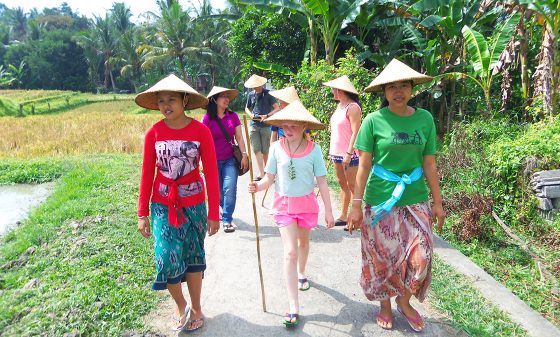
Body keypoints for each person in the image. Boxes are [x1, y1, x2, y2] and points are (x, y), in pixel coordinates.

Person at [348, 59, 446, 332]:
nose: (398, 91)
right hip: (380, 201)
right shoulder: (373, 121)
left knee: (422, 258)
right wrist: (355, 205)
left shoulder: (424, 119)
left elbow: (429, 163)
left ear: (412, 88)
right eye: (392, 87)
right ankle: (385, 306)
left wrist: (437, 203)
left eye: (404, 85)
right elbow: (364, 165)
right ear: (384, 92)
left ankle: (404, 302)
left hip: (415, 199)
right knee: (381, 258)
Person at [135, 74, 220, 333]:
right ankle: (180, 303)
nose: (165, 105)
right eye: (161, 101)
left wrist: (214, 213)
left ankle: (196, 308)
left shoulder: (201, 131)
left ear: (184, 100)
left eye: (171, 99)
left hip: (193, 204)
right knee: (164, 259)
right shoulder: (154, 133)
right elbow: (147, 172)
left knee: (193, 256)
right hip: (162, 205)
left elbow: (212, 173)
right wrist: (142, 213)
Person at [248, 100, 335, 327]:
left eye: (294, 126)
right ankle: (293, 306)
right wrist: (258, 186)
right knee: (289, 252)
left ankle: (302, 273)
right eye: (285, 126)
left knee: (303, 245)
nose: (288, 131)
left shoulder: (314, 150)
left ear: (304, 126)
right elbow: (269, 178)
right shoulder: (276, 148)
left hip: (307, 206)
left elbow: (322, 182)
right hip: (283, 206)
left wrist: (329, 211)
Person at [201, 86, 249, 233]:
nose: (227, 99)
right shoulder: (207, 119)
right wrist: (201, 162)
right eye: (223, 96)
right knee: (219, 192)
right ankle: (223, 208)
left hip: (229, 159)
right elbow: (202, 141)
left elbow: (239, 137)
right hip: (213, 161)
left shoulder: (233, 116)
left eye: (228, 96)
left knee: (230, 188)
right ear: (214, 100)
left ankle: (227, 219)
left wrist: (245, 154)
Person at [323, 75, 362, 230]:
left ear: (340, 90)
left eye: (333, 88)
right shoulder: (339, 106)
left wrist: (349, 152)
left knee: (353, 186)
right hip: (336, 153)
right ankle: (344, 215)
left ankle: (355, 218)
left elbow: (356, 131)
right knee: (342, 184)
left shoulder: (352, 107)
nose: (332, 91)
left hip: (349, 154)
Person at [244, 74, 279, 181]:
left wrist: (267, 116)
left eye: (257, 85)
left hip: (266, 126)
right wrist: (251, 115)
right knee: (256, 149)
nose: (256, 87)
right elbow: (246, 108)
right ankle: (261, 173)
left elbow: (277, 108)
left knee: (265, 150)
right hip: (254, 125)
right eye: (254, 85)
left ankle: (268, 172)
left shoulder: (268, 94)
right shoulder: (251, 94)